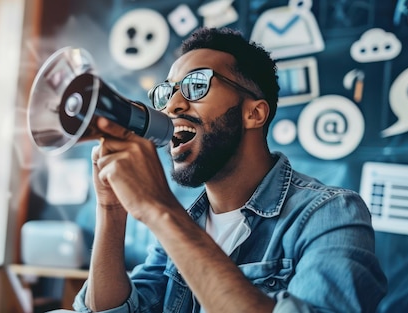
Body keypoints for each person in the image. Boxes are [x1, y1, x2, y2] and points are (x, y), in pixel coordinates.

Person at [72, 26, 387, 312]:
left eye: (197, 85)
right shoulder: (187, 223)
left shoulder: (329, 214)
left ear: (254, 113)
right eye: (166, 93)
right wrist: (111, 208)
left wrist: (160, 210)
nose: (172, 106)